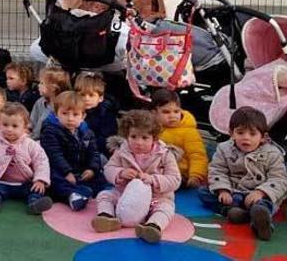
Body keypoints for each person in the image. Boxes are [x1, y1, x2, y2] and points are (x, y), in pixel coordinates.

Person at [92, 110, 181, 244]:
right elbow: (108, 169)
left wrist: (153, 180)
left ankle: (152, 226)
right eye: (133, 137)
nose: (138, 142)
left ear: (154, 139)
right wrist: (120, 173)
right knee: (104, 195)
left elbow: (175, 179)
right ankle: (107, 217)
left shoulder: (165, 154)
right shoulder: (122, 151)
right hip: (124, 195)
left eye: (145, 138)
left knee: (166, 208)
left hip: (156, 198)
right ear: (127, 136)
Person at [199, 107, 287, 240]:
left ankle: (260, 222)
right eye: (240, 133)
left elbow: (279, 179)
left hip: (258, 195)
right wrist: (223, 190)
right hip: (234, 192)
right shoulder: (224, 149)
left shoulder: (273, 154)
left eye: (252, 134)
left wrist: (261, 192)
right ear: (231, 133)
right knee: (203, 192)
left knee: (265, 205)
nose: (246, 138)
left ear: (263, 137)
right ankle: (232, 211)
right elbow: (217, 170)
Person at [0, 103, 53, 214]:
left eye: (15, 126)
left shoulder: (31, 144)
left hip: (25, 183)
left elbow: (41, 162)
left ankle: (34, 203)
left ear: (25, 127)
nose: (9, 129)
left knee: (36, 190)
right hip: (0, 181)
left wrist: (40, 179)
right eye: (5, 125)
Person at [40, 91, 107, 211]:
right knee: (53, 180)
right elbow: (54, 155)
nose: (70, 118)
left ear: (83, 116)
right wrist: (67, 172)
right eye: (65, 113)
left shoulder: (87, 132)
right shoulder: (50, 130)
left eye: (75, 114)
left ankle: (100, 193)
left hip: (80, 170)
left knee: (102, 179)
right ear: (56, 114)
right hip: (59, 170)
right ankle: (72, 196)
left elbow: (94, 153)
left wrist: (91, 169)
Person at [151, 89, 207, 188]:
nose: (172, 116)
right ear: (154, 113)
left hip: (180, 174)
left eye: (176, 111)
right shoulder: (149, 129)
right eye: (166, 112)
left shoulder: (188, 131)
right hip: (155, 170)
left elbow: (197, 155)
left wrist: (196, 176)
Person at [76, 72, 117, 157]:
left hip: (97, 153)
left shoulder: (107, 116)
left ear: (100, 98)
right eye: (82, 95)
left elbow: (105, 140)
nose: (86, 99)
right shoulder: (72, 112)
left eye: (91, 95)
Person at [29, 66, 71, 139]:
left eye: (42, 83)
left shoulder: (63, 106)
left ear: (53, 88)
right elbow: (31, 123)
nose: (38, 86)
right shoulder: (40, 102)